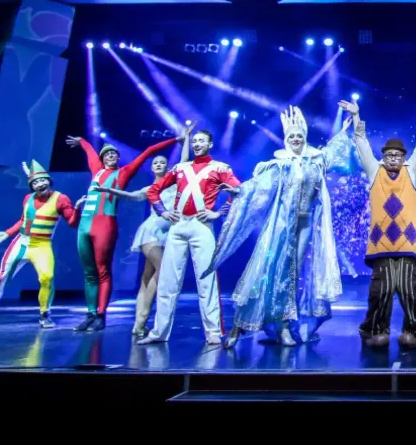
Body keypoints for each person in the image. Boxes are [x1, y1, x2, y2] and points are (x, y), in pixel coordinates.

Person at [201, 106, 353, 348]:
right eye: (291, 136)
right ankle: (240, 325)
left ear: (305, 139)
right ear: (285, 139)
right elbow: (257, 187)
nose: (295, 140)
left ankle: (284, 326)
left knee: (291, 275)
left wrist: (347, 127)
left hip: (305, 226)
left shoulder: (316, 161)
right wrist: (238, 191)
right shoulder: (278, 165)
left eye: (299, 136)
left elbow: (335, 151)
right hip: (281, 226)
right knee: (265, 271)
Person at [350, 100, 416, 349]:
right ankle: (374, 330)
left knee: (410, 291)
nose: (392, 158)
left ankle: (415, 331)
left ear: (404, 157)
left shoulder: (411, 170)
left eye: (397, 155)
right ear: (382, 156)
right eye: (388, 155)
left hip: (409, 243)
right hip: (381, 244)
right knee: (380, 292)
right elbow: (362, 145)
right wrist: (356, 117)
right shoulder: (375, 171)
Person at [66, 132, 184, 331]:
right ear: (102, 159)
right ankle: (90, 313)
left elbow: (148, 152)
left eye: (114, 154)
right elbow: (89, 151)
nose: (111, 156)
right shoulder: (96, 170)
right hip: (85, 225)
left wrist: (175, 140)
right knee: (88, 272)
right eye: (107, 155)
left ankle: (101, 315)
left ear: (119, 159)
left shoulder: (124, 173)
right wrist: (82, 141)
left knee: (102, 270)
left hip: (105, 224)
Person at [137, 129, 241, 345]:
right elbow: (153, 191)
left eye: (201, 140)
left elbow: (239, 191)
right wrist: (163, 211)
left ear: (210, 144)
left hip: (202, 226)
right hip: (178, 225)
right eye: (194, 141)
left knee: (206, 280)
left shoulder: (219, 168)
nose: (196, 144)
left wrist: (218, 212)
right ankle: (158, 332)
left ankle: (213, 331)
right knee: (167, 281)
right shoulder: (180, 168)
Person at [0, 160, 84, 328]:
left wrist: (77, 210)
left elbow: (72, 223)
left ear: (49, 181)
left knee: (47, 278)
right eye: (35, 182)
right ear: (31, 186)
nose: (40, 184)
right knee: (1, 278)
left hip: (41, 246)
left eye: (42, 180)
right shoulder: (28, 198)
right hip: (21, 244)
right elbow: (23, 221)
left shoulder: (60, 199)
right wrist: (6, 233)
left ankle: (45, 314)